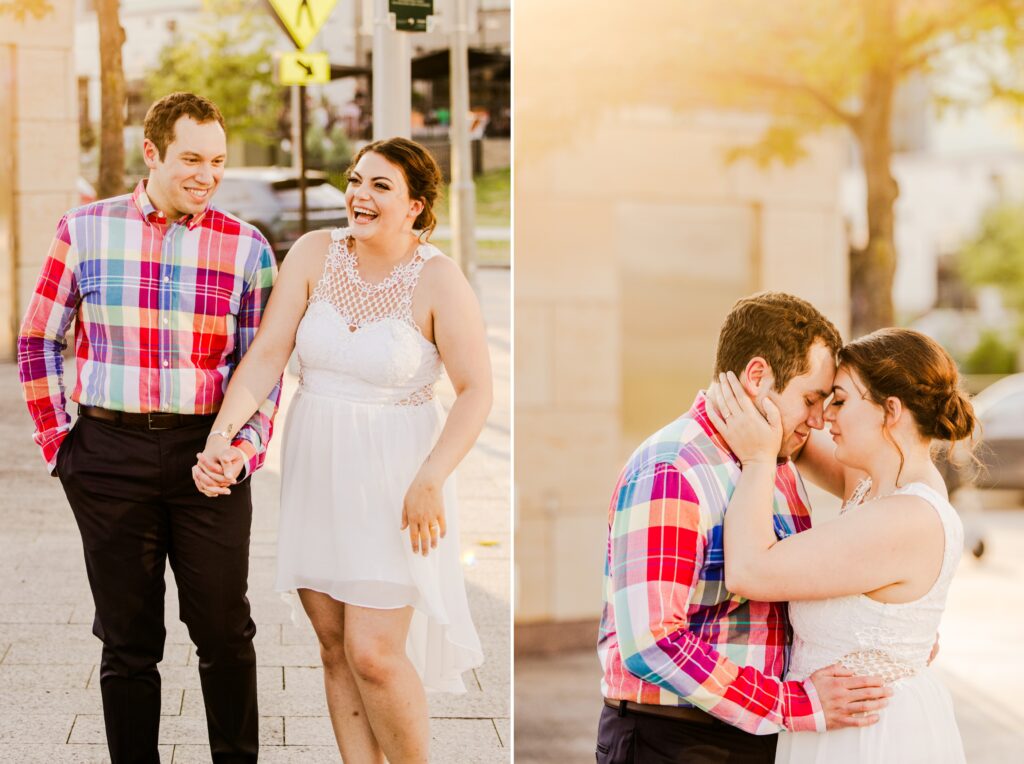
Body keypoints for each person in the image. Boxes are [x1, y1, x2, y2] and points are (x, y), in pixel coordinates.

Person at [191, 137, 490, 763]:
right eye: (356, 181)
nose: (360, 195)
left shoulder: (438, 278)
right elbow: (268, 355)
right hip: (317, 469)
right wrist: (222, 436)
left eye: (382, 186)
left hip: (397, 482)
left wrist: (432, 477)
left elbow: (475, 391)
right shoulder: (311, 254)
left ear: (416, 206)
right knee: (333, 646)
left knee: (374, 654)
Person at [17, 92, 278, 763]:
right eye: (192, 158)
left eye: (218, 161)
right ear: (152, 152)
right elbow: (38, 339)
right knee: (128, 642)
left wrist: (243, 450)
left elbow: (264, 367)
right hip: (106, 453)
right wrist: (60, 446)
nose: (208, 174)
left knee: (224, 633)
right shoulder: (84, 229)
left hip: (208, 457)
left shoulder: (248, 248)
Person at [596, 292, 892, 764]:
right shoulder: (672, 469)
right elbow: (651, 643)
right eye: (810, 399)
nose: (817, 420)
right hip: (676, 741)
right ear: (757, 377)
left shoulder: (774, 461)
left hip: (753, 736)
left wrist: (890, 634)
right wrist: (793, 705)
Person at [706, 327, 970, 763]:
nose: (824, 416)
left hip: (872, 739)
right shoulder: (873, 483)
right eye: (823, 399)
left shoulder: (906, 517)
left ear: (891, 411)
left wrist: (756, 461)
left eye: (841, 401)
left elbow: (750, 570)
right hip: (833, 731)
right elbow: (794, 429)